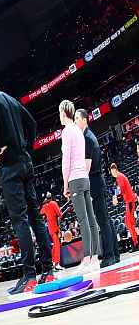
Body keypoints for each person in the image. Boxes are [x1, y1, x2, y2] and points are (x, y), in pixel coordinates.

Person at [0, 67, 54, 294]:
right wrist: (27, 149)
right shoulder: (10, 98)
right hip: (25, 162)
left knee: (20, 219)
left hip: (10, 166)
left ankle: (29, 276)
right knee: (35, 217)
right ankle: (48, 270)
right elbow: (32, 124)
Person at [59, 100, 100, 272]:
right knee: (91, 219)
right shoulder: (77, 129)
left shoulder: (67, 131)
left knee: (83, 220)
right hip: (84, 177)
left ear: (63, 112)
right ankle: (95, 258)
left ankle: (87, 260)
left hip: (75, 179)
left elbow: (66, 160)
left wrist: (65, 184)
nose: (59, 116)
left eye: (59, 112)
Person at [76, 109, 117, 267]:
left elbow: (86, 167)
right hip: (98, 180)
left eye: (77, 118)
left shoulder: (87, 138)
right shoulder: (89, 136)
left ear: (85, 120)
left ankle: (109, 256)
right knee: (106, 219)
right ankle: (115, 254)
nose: (76, 121)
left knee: (102, 220)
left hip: (94, 181)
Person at [110, 163, 137, 251]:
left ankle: (136, 243)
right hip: (129, 201)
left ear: (114, 170)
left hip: (130, 201)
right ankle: (135, 242)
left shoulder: (119, 177)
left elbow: (122, 190)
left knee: (129, 223)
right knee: (128, 222)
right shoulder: (120, 176)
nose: (112, 174)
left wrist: (117, 199)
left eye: (112, 172)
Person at [40, 192, 62, 270]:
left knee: (55, 245)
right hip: (55, 228)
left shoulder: (44, 206)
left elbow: (41, 214)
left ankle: (52, 262)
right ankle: (56, 263)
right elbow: (60, 214)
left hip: (50, 229)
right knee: (57, 245)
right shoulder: (53, 203)